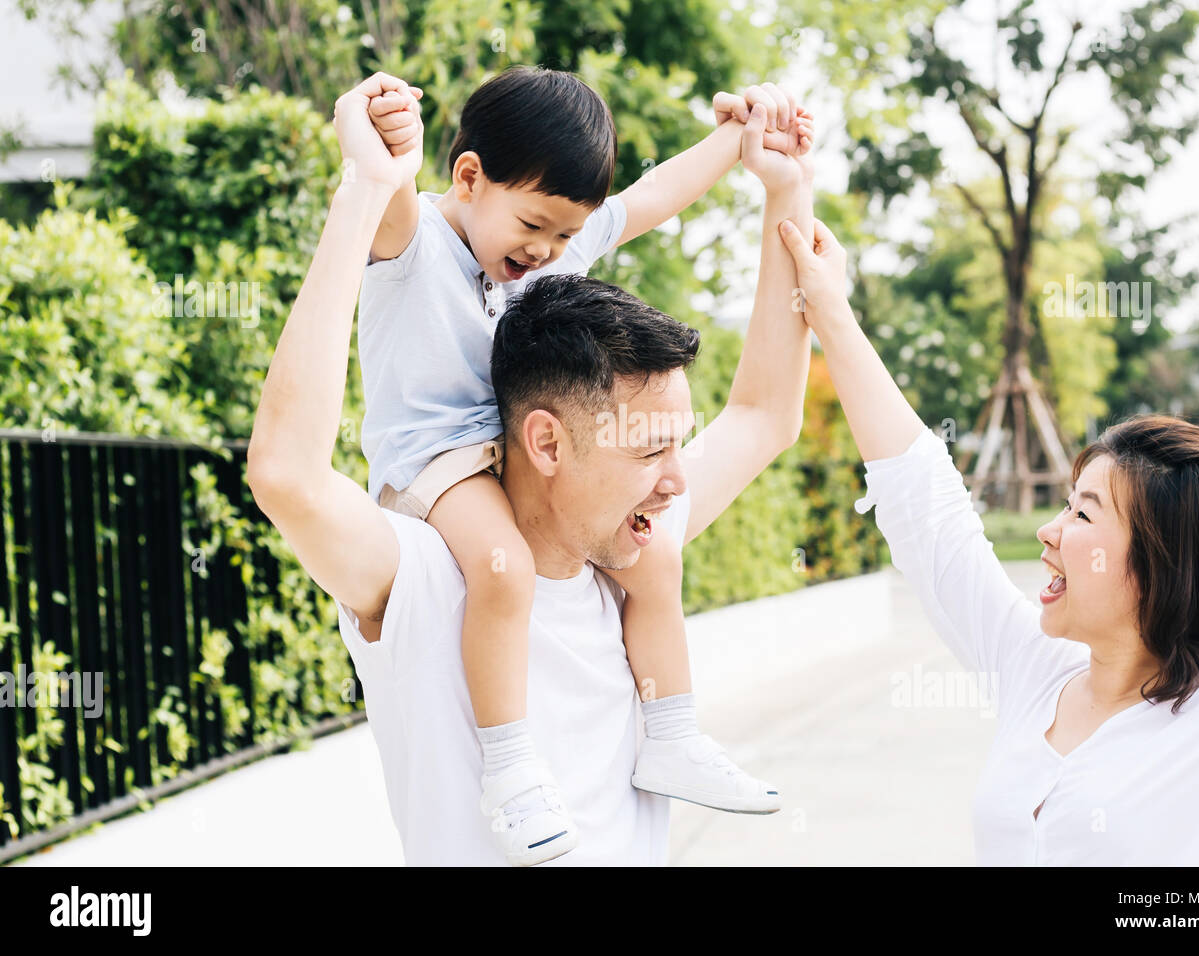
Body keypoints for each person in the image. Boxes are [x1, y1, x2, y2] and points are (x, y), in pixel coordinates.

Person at [246, 72, 815, 865]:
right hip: (435, 469)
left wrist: (771, 172)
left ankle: (675, 732)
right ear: (548, 442)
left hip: (499, 464)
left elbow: (761, 413)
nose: (675, 479)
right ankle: (509, 767)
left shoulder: (628, 528)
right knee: (502, 567)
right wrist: (371, 173)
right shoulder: (426, 576)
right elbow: (284, 472)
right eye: (651, 449)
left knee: (655, 558)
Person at [778, 216, 1199, 866]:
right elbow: (927, 509)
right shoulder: (1038, 671)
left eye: (1083, 516)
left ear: (1163, 562)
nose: (1046, 533)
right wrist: (830, 307)